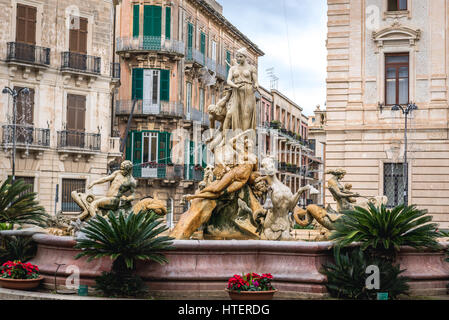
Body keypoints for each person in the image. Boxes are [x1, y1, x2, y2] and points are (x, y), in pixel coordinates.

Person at [72, 160, 137, 220]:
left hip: (114, 200)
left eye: (123, 169)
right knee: (88, 201)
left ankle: (98, 222)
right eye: (121, 168)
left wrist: (127, 198)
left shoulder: (132, 181)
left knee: (93, 204)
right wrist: (94, 182)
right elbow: (105, 179)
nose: (121, 170)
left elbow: (133, 195)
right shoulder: (118, 173)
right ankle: (85, 217)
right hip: (107, 198)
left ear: (128, 170)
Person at [223, 47, 259, 133]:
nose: (238, 59)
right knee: (231, 114)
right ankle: (227, 138)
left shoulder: (251, 68)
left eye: (240, 57)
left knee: (246, 115)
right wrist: (235, 86)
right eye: (237, 57)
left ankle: (244, 136)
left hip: (248, 92)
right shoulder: (233, 69)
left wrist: (256, 86)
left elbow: (256, 82)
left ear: (245, 57)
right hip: (236, 93)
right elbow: (228, 80)